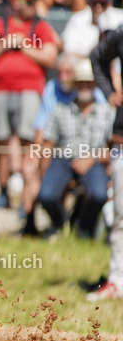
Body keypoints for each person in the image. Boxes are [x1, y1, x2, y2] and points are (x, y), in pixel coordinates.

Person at [0, 0, 58, 209]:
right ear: (16, 2)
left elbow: (50, 57)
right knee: (1, 139)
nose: (33, 6)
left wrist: (23, 45)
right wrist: (6, 44)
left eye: (34, 1)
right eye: (29, 1)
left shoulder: (40, 26)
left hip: (30, 89)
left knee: (27, 139)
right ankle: (3, 190)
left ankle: (26, 196)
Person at [37, 58, 112, 241]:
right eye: (81, 82)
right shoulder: (60, 110)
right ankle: (61, 224)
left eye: (88, 82)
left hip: (95, 161)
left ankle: (83, 228)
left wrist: (91, 159)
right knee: (46, 195)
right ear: (75, 84)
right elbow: (48, 145)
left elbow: (113, 148)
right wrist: (43, 175)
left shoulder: (108, 112)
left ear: (95, 84)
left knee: (99, 195)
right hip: (63, 159)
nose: (84, 86)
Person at [90, 26, 123, 300]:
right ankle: (117, 279)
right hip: (122, 137)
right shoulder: (121, 34)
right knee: (121, 213)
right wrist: (110, 91)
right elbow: (97, 57)